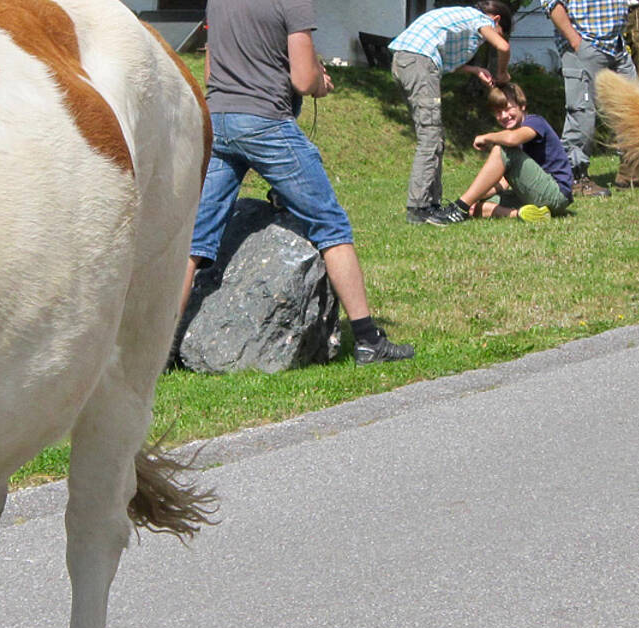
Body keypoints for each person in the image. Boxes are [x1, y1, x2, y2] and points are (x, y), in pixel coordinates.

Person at [184, 0, 414, 365]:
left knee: (194, 241)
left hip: (220, 119)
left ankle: (156, 348)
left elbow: (212, 68)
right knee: (331, 225)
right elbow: (303, 79)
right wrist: (319, 83)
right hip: (266, 122)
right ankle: (369, 340)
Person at [387, 1, 514, 226]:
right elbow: (503, 47)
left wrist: (474, 70)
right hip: (418, 61)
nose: (489, 40)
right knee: (430, 136)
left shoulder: (461, 18)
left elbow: (442, 61)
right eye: (500, 31)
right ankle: (419, 207)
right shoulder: (482, 19)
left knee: (435, 136)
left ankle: (431, 204)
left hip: (407, 60)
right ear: (496, 20)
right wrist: (502, 74)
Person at [446, 82, 573, 223]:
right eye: (498, 112)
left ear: (522, 106)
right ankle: (522, 214)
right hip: (536, 193)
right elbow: (504, 182)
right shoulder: (514, 138)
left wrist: (486, 137)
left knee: (502, 149)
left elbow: (512, 139)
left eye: (507, 109)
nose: (504, 116)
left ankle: (459, 207)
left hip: (556, 193)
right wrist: (477, 196)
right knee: (475, 207)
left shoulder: (535, 122)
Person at [548, 0, 636, 197]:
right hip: (585, 45)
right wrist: (575, 41)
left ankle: (631, 172)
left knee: (633, 109)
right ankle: (574, 178)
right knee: (582, 114)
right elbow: (552, 4)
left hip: (616, 46)